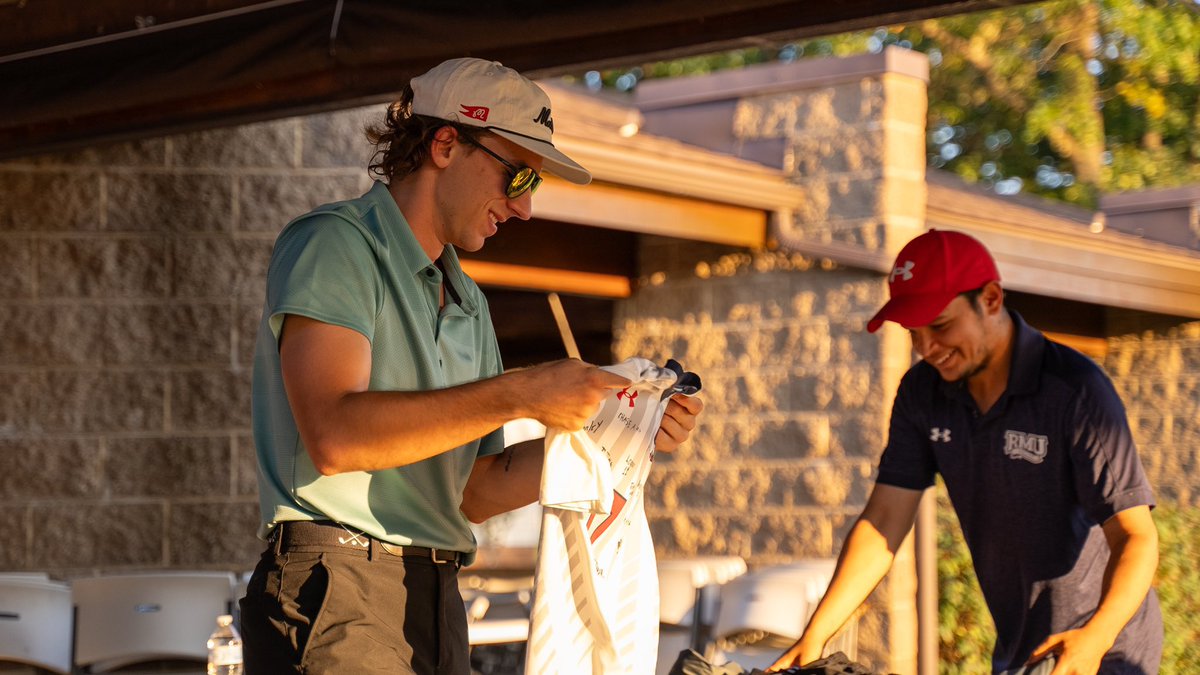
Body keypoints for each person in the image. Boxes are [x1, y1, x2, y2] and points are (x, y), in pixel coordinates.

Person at [239, 57, 703, 674]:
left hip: (436, 594)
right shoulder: (335, 243)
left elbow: (476, 491)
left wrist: (616, 429)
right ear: (446, 143)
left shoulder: (467, 299)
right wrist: (522, 393)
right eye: (518, 179)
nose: (526, 209)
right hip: (336, 584)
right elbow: (335, 435)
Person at [769, 230, 1161, 675]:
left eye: (939, 326)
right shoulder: (922, 393)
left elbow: (1136, 535)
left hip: (1105, 645)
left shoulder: (1076, 390)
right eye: (912, 332)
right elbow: (883, 521)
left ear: (991, 298)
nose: (926, 348)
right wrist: (817, 633)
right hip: (1019, 647)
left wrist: (1096, 638)